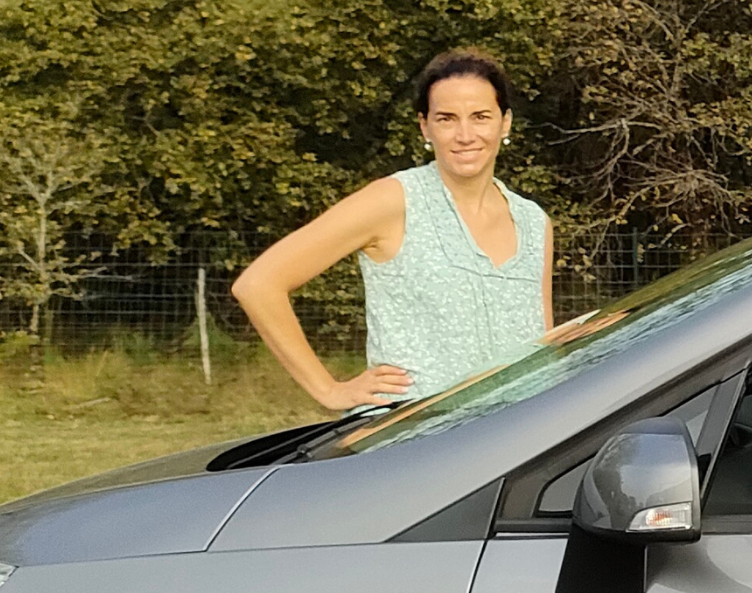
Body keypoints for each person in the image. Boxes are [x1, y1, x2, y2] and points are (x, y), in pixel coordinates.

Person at [233, 49, 555, 412]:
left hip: (511, 441)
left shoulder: (533, 222)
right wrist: (329, 390)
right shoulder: (393, 201)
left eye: (480, 117)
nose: (465, 135)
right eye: (446, 119)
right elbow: (258, 285)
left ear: (505, 122)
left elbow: (541, 345)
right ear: (425, 127)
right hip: (411, 444)